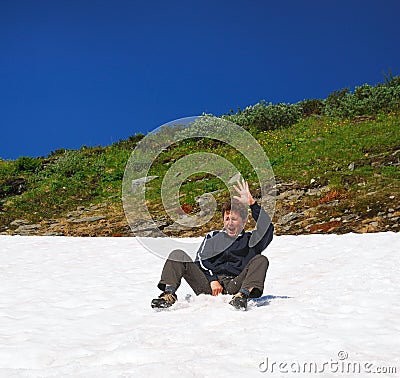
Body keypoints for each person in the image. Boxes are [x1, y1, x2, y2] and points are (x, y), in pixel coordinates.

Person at [151, 179, 274, 310]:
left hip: (235, 284)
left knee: (261, 260)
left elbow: (267, 228)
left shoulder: (252, 240)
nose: (229, 223)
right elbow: (201, 260)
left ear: (243, 221)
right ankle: (168, 295)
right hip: (209, 286)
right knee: (177, 255)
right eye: (227, 219)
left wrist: (252, 204)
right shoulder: (213, 237)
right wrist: (212, 280)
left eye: (234, 219)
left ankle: (242, 296)